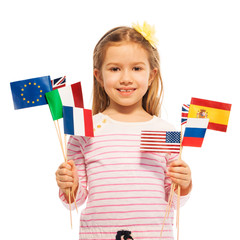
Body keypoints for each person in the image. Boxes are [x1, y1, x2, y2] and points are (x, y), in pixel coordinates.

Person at [55, 22, 192, 240]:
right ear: (99, 76)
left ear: (151, 75)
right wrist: (70, 184)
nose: (126, 78)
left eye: (136, 68)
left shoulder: (166, 131)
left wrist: (184, 183)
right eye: (115, 68)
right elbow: (76, 200)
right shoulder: (84, 129)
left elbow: (172, 201)